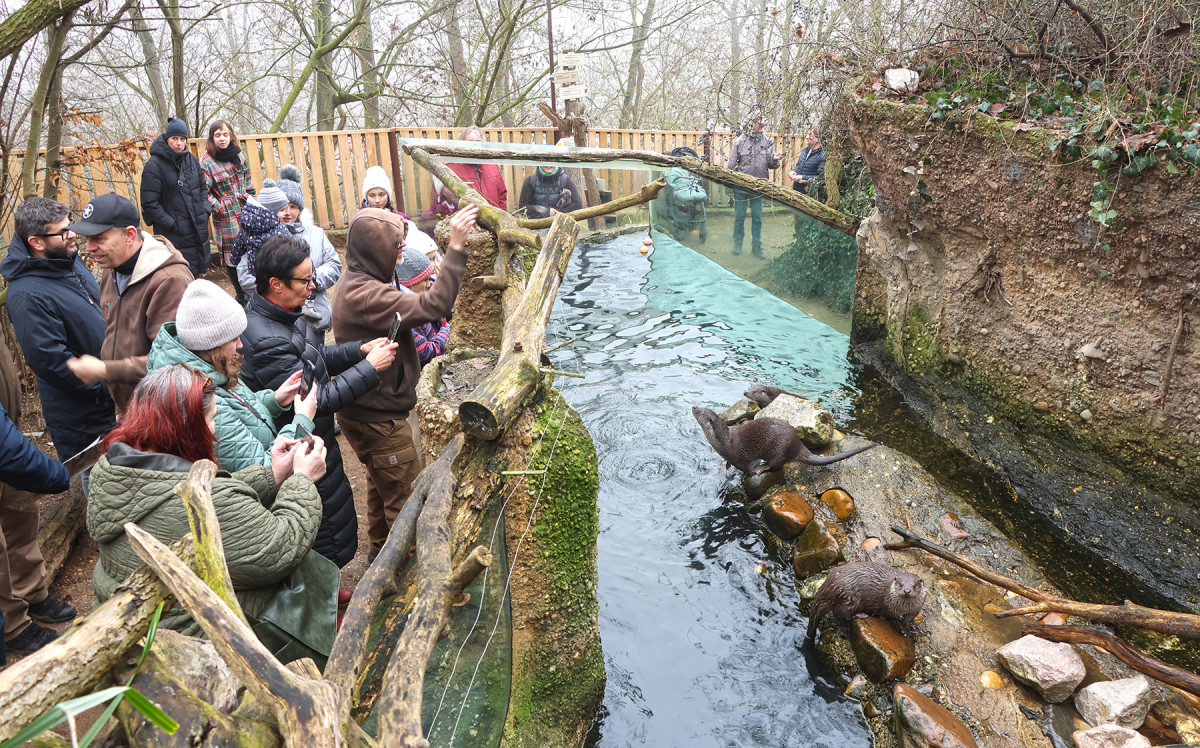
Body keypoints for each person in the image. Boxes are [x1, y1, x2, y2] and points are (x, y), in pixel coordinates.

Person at [87, 366, 337, 662]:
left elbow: (179, 496)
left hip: (140, 622)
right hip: (190, 644)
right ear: (188, 429)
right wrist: (302, 480)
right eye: (212, 419)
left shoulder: (118, 467)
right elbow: (279, 547)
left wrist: (273, 475)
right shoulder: (203, 498)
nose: (215, 428)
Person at [241, 235, 398, 567]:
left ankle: (334, 594)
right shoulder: (266, 338)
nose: (312, 285)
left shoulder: (279, 314)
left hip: (315, 441)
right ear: (276, 284)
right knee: (323, 537)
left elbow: (310, 361)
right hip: (299, 448)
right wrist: (370, 369)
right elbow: (315, 399)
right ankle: (331, 610)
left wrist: (358, 351)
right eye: (304, 279)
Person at [332, 204, 477, 559]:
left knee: (381, 486)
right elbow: (437, 304)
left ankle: (379, 559)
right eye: (396, 247)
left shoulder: (361, 277)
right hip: (379, 418)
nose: (401, 254)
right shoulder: (368, 294)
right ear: (375, 251)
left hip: (364, 411)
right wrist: (456, 247)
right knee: (407, 501)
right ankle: (407, 581)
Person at [146, 279, 316, 472]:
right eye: (233, 338)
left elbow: (236, 405)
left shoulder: (209, 368)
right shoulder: (201, 401)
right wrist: (302, 420)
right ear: (212, 345)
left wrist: (274, 399)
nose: (240, 344)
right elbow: (264, 473)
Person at [1, 197, 116, 463]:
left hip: (113, 399)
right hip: (87, 419)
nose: (72, 234)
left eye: (70, 225)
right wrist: (106, 387)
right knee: (105, 487)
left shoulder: (66, 260)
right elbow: (51, 361)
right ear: (36, 242)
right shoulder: (27, 295)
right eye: (63, 231)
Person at [64, 193, 192, 415]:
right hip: (130, 407)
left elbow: (172, 362)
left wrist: (105, 370)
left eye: (99, 238)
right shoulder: (111, 268)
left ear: (130, 235)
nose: (89, 247)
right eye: (87, 239)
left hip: (164, 412)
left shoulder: (169, 281)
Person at [0, 396, 73, 661]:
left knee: (20, 516)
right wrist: (53, 474)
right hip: (5, 445)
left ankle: (31, 593)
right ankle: (13, 627)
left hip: (8, 432)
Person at [253, 165, 341, 333]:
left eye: (293, 206)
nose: (288, 212)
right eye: (282, 207)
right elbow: (248, 275)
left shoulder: (317, 234)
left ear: (300, 209)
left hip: (315, 318)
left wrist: (311, 279)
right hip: (278, 319)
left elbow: (335, 265)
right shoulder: (260, 235)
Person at [140, 117, 213, 277]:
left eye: (182, 139)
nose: (179, 143)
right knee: (179, 277)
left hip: (197, 229)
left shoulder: (191, 160)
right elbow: (149, 203)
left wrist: (205, 209)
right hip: (174, 234)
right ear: (167, 139)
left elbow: (202, 186)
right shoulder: (154, 166)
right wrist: (171, 223)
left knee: (197, 274)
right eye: (175, 138)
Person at [200, 120, 254, 304]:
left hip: (245, 208)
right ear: (212, 137)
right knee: (233, 255)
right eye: (217, 135)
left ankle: (253, 290)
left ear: (231, 136)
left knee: (251, 248)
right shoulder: (207, 161)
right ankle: (241, 294)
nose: (222, 138)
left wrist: (250, 199)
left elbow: (247, 179)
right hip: (226, 216)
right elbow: (203, 192)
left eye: (225, 134)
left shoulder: (238, 156)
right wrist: (220, 206)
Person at [360, 165, 440, 261]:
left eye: (382, 195)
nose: (377, 200)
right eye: (372, 196)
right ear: (366, 197)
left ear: (388, 195)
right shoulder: (361, 222)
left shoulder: (401, 218)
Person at [726, 116, 780, 258]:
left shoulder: (768, 142)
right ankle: (737, 245)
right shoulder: (740, 142)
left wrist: (775, 160)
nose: (762, 125)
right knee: (739, 217)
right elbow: (731, 166)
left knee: (758, 218)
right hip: (741, 188)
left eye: (762, 123)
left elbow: (772, 165)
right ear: (751, 125)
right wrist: (729, 188)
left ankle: (756, 247)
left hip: (759, 188)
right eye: (759, 123)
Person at [394, 248, 450, 366]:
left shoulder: (417, 301)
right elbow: (425, 354)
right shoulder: (406, 312)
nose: (429, 284)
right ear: (410, 283)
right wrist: (445, 329)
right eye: (425, 280)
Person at [431, 126, 508, 211]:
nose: (474, 146)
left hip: (493, 220)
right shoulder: (451, 167)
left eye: (478, 142)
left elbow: (502, 197)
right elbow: (442, 201)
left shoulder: (492, 166)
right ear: (462, 144)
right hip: (466, 221)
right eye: (470, 142)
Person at [517, 165, 583, 219]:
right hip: (536, 229)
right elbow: (522, 207)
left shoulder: (566, 180)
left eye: (551, 161)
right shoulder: (530, 181)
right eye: (545, 161)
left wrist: (558, 213)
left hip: (560, 227)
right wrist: (546, 211)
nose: (548, 165)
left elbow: (578, 205)